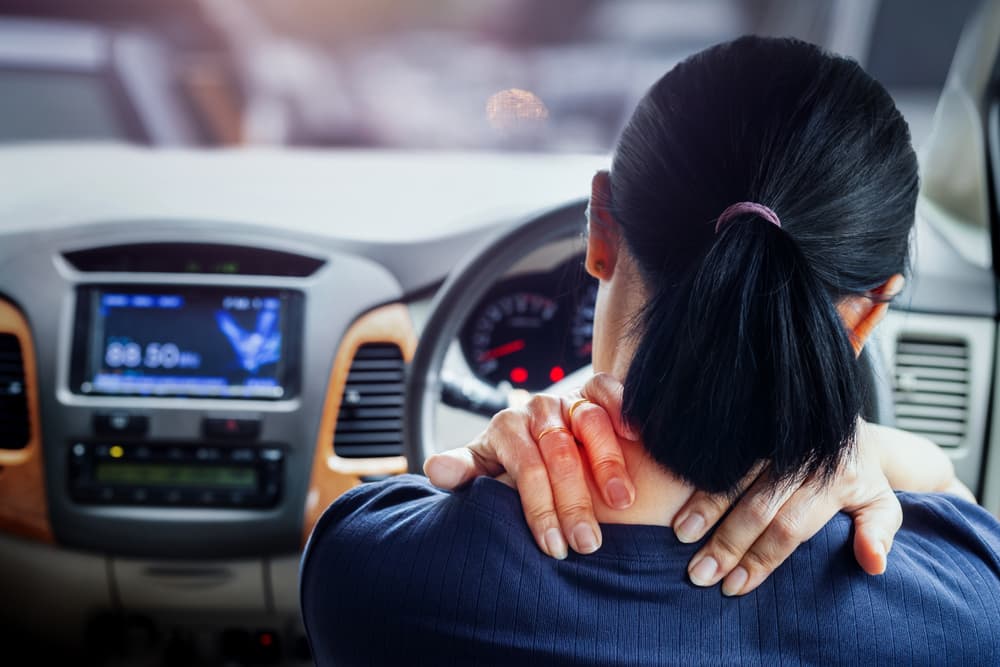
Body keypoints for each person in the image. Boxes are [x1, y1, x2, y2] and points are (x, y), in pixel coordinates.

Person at [301, 36, 1000, 665]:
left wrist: (560, 409)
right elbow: (971, 523)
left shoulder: (372, 575)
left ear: (601, 229)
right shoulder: (967, 610)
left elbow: (325, 532)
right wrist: (884, 452)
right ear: (870, 308)